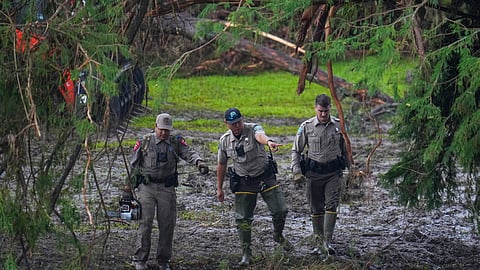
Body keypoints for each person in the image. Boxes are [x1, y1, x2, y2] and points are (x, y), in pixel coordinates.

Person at [129, 113, 209, 270]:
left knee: (167, 224)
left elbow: (189, 152)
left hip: (167, 188)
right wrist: (127, 187)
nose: (164, 133)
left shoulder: (175, 141)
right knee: (145, 222)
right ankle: (139, 259)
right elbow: (133, 164)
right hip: (147, 187)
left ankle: (163, 260)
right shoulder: (145, 141)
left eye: (167, 130)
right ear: (155, 127)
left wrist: (199, 162)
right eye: (161, 130)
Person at [216, 108, 293, 266]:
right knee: (243, 219)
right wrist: (219, 188)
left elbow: (260, 136)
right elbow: (222, 163)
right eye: (233, 124)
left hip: (264, 176)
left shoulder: (253, 128)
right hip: (244, 180)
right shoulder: (224, 140)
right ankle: (246, 254)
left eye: (239, 122)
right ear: (226, 124)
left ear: (242, 120)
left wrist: (269, 142)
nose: (237, 126)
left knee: (280, 210)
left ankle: (278, 235)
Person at [291, 94, 349, 259]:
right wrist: (296, 170)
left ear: (330, 108)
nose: (323, 114)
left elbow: (346, 150)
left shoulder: (339, 125)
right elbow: (296, 150)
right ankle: (318, 243)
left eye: (326, 110)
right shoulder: (306, 127)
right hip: (314, 174)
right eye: (320, 111)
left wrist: (353, 170)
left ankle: (327, 243)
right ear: (315, 108)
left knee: (331, 205)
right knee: (316, 208)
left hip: (333, 174)